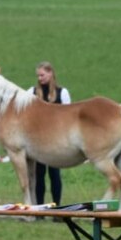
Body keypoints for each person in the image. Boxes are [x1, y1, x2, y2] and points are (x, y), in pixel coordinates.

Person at [31, 62, 70, 205]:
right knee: (39, 175)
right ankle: (40, 208)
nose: (39, 78)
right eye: (38, 76)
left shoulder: (62, 93)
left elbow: (68, 116)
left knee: (55, 174)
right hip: (38, 141)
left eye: (42, 75)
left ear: (50, 73)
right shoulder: (32, 92)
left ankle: (57, 208)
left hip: (56, 140)